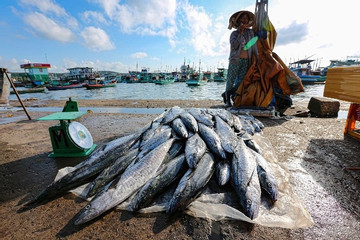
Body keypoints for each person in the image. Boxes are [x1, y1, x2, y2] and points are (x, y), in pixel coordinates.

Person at [222, 10, 258, 107]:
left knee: (241, 81)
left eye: (246, 18)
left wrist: (257, 57)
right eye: (243, 18)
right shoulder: (234, 34)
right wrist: (240, 33)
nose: (245, 20)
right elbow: (234, 45)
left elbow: (252, 45)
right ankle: (227, 100)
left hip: (246, 60)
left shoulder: (251, 33)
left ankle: (228, 94)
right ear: (238, 21)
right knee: (230, 80)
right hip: (235, 60)